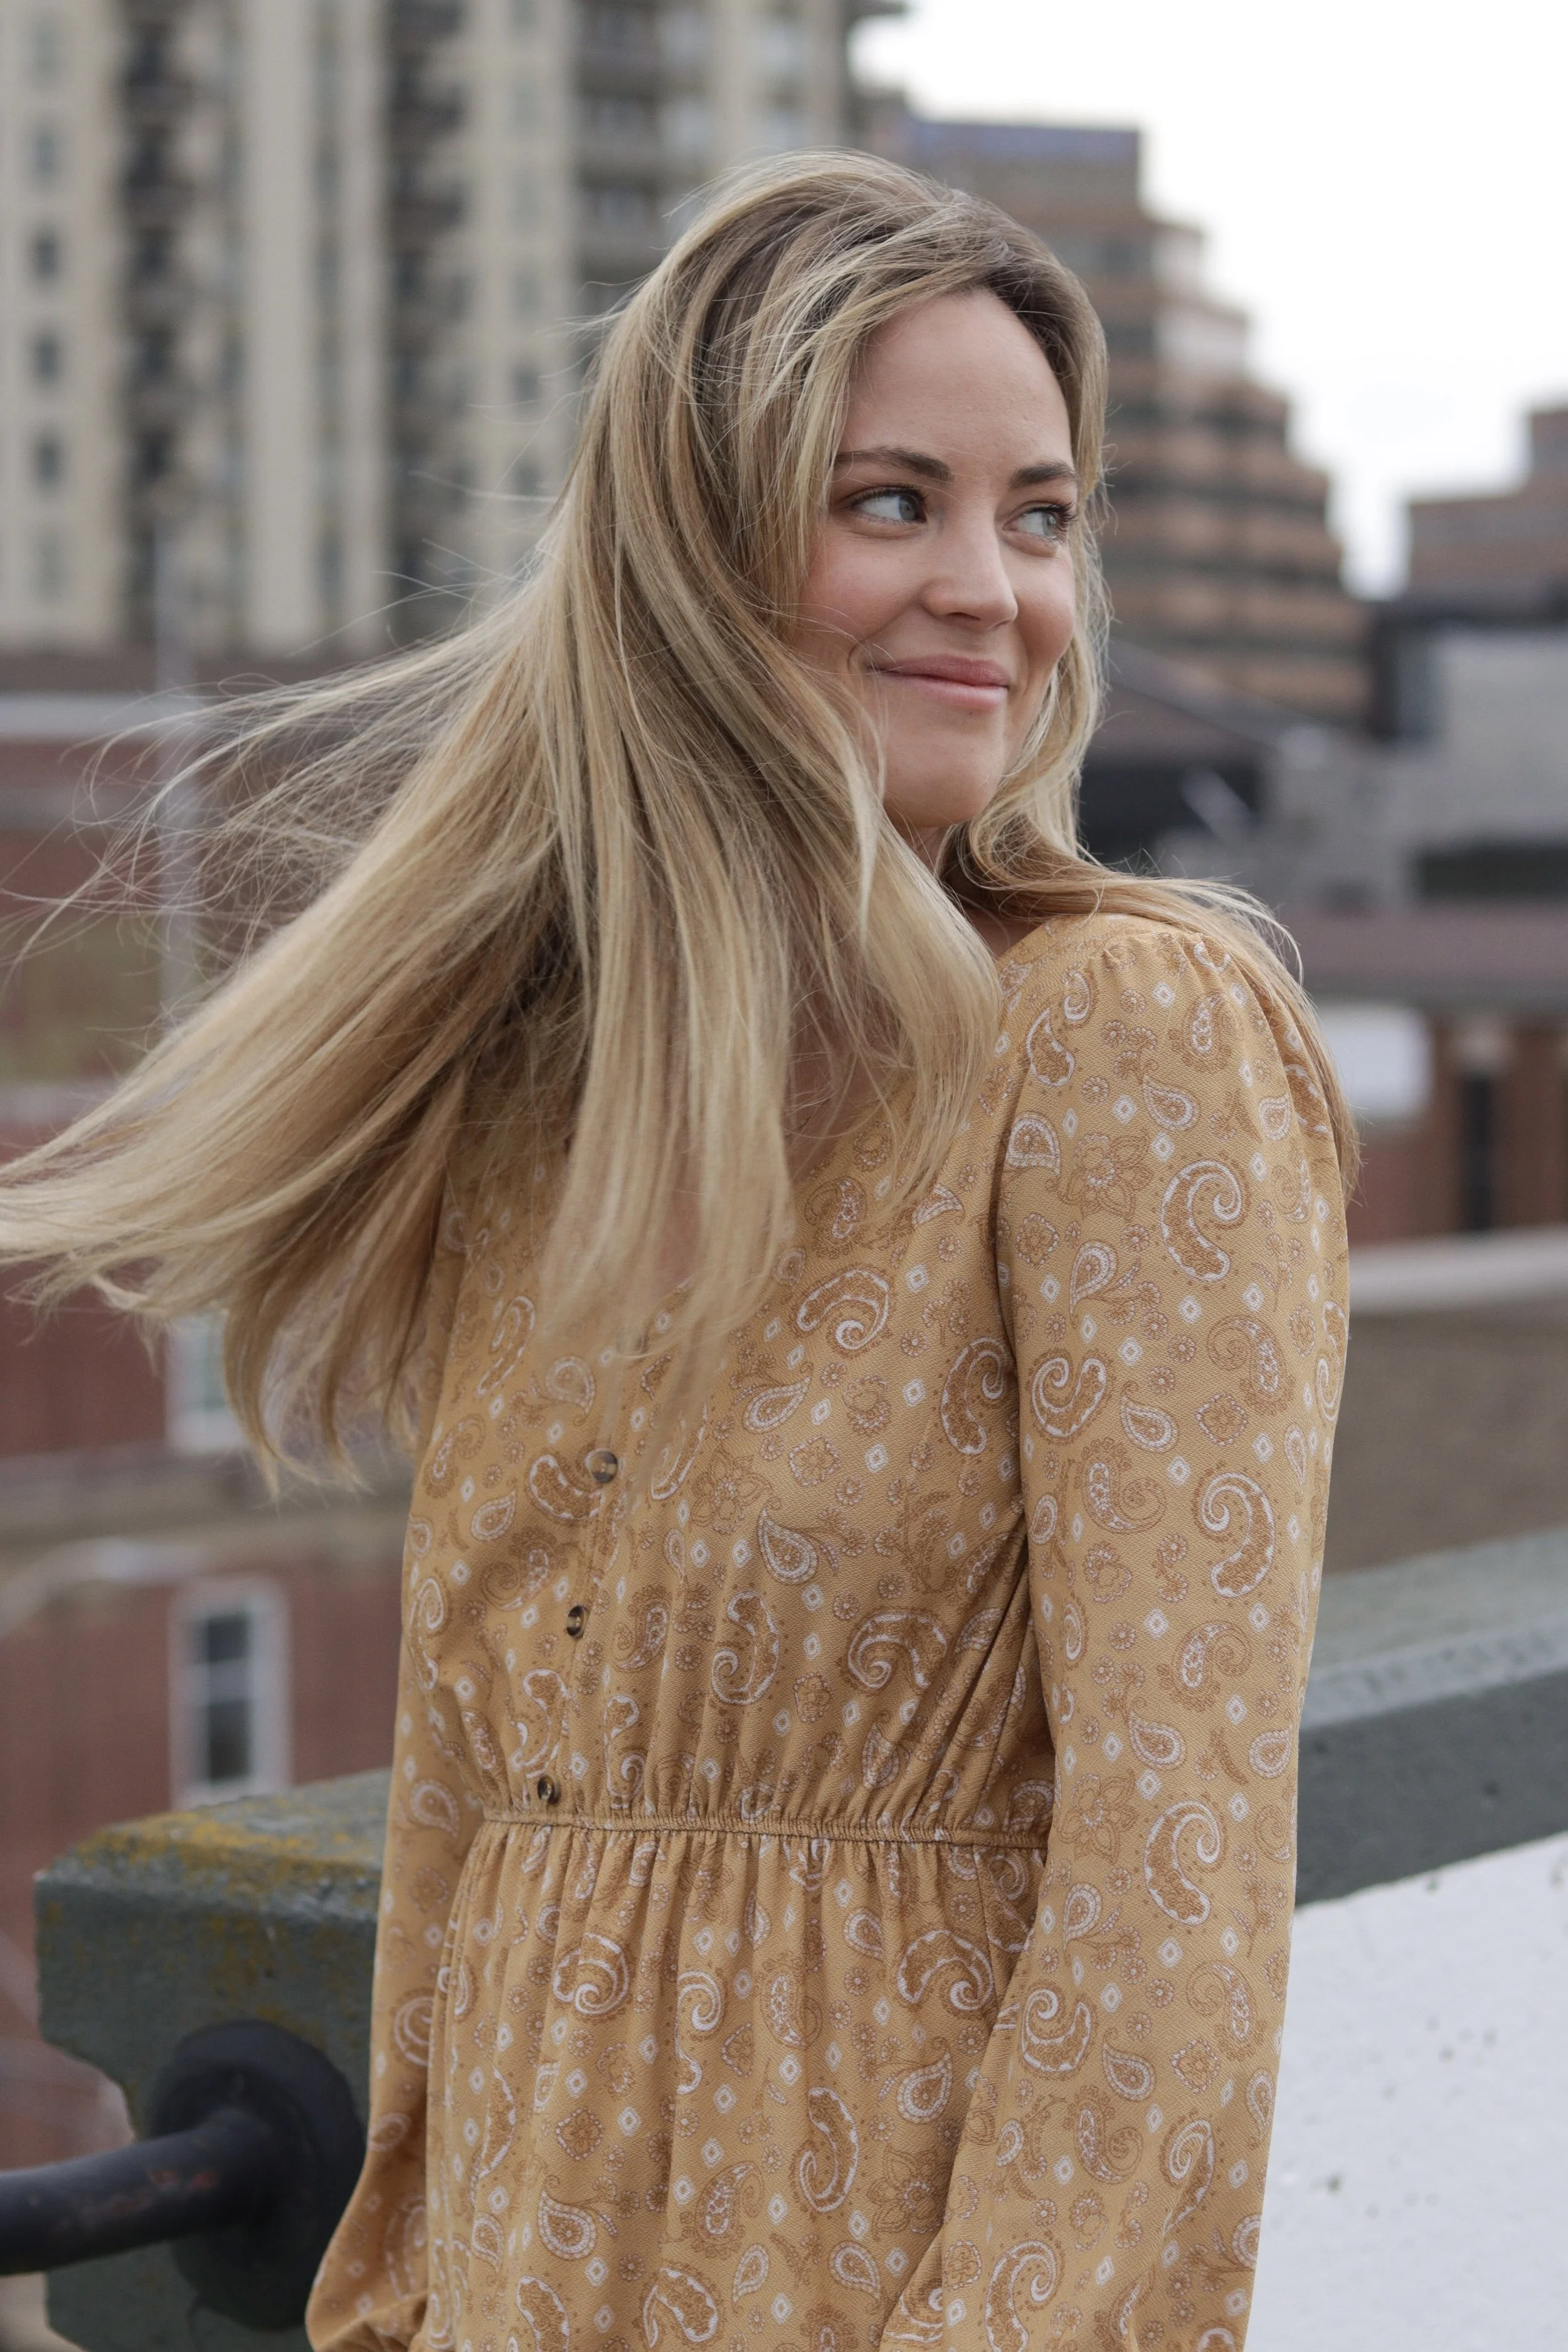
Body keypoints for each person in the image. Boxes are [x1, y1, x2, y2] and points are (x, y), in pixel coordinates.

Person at [0, 154, 1352, 2352]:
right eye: (891, 501)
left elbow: (1176, 1858)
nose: (992, 591)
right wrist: (392, 2293)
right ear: (689, 556)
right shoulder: (558, 1081)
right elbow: (468, 1791)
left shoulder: (1123, 1035)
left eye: (1038, 516)